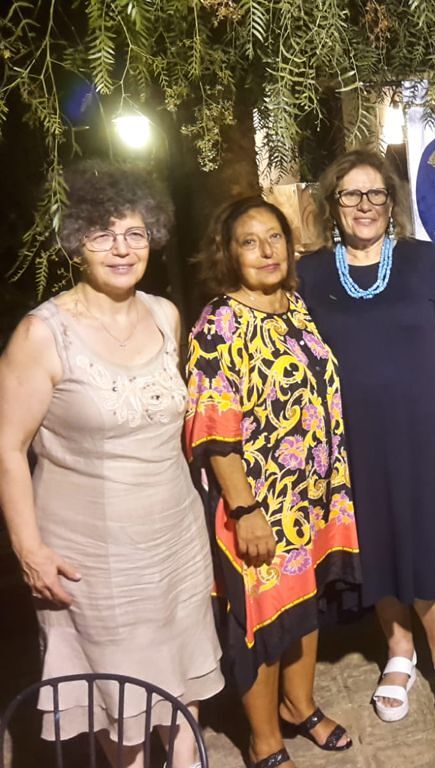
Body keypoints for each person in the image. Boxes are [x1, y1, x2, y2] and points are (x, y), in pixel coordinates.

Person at [0, 161, 223, 768]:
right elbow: (8, 448)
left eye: (134, 233)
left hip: (174, 539)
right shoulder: (42, 334)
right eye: (103, 234)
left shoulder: (165, 314)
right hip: (93, 556)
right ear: (76, 242)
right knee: (120, 701)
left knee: (181, 674)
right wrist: (29, 550)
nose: (122, 249)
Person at [297, 149, 435, 728]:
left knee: (427, 537)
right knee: (374, 542)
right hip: (352, 438)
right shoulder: (311, 274)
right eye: (351, 194)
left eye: (375, 193)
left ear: (391, 201)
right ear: (333, 205)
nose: (364, 205)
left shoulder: (424, 261)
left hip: (427, 430)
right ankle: (399, 651)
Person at [185, 197, 361, 768]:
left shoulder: (296, 307)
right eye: (249, 242)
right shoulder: (220, 322)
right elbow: (213, 430)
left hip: (312, 496)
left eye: (275, 238)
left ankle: (299, 706)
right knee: (261, 620)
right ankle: (264, 738)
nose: (266, 251)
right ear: (229, 254)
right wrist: (245, 510)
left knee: (304, 602)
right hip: (259, 503)